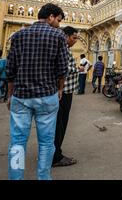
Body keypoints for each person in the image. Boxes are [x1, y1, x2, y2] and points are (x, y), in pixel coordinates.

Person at [6, 3, 68, 180]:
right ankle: (43, 177)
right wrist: (60, 89)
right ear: (50, 17)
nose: (58, 24)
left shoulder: (18, 35)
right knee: (47, 143)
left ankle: (15, 177)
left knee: (17, 142)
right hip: (47, 96)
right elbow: (62, 68)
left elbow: (10, 69)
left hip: (21, 97)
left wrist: (10, 95)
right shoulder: (58, 36)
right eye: (58, 20)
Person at [53, 26, 79, 168]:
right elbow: (61, 68)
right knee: (59, 124)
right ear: (67, 36)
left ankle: (53, 152)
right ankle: (56, 156)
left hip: (64, 91)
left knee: (58, 123)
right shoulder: (62, 48)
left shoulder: (63, 48)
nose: (75, 41)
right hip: (62, 92)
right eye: (74, 38)